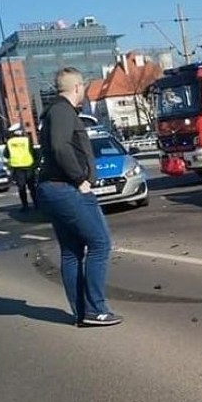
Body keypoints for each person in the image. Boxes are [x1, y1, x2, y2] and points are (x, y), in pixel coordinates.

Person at [36, 67, 122, 327]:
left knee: (72, 251)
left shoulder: (55, 111)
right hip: (65, 188)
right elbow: (60, 146)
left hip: (54, 188)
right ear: (77, 88)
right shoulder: (62, 111)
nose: (83, 91)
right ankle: (95, 309)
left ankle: (82, 312)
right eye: (83, 87)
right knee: (100, 243)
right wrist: (80, 178)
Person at [4, 124, 37, 211]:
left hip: (17, 168)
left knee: (21, 188)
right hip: (29, 166)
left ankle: (25, 206)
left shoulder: (10, 142)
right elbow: (33, 152)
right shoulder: (26, 140)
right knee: (32, 187)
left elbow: (6, 154)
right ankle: (37, 204)